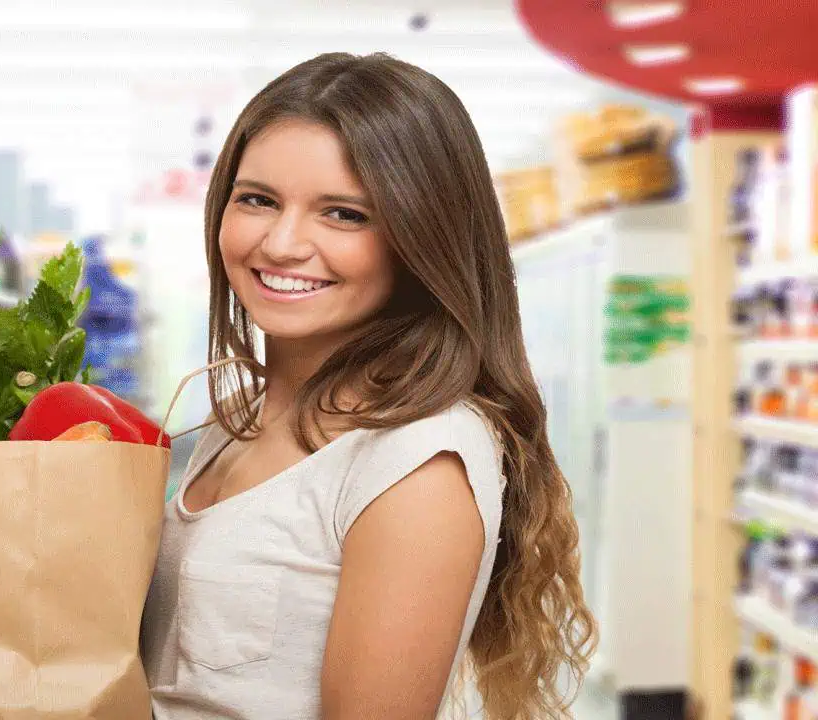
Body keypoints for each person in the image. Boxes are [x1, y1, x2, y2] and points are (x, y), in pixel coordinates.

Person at [140, 53, 597, 719]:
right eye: (258, 200)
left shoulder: (414, 462)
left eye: (344, 214)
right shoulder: (237, 418)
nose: (282, 243)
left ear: (419, 237)